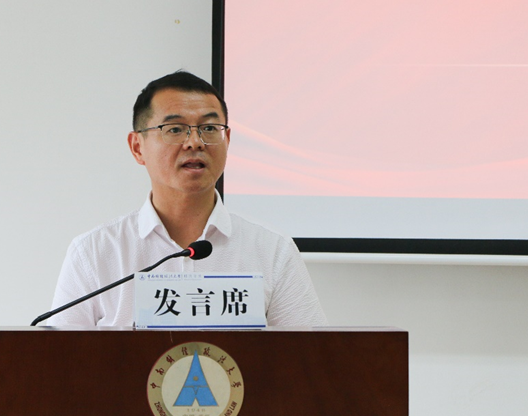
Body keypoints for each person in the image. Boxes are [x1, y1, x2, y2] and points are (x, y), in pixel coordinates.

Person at [47, 71, 326, 327]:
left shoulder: (272, 251)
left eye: (209, 128)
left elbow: (310, 357)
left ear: (227, 140)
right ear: (137, 147)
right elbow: (62, 359)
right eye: (175, 129)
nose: (195, 142)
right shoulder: (95, 253)